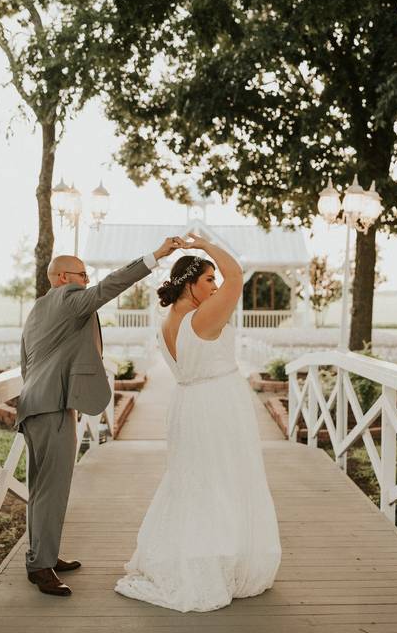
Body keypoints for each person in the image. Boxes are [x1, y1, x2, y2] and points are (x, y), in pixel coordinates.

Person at [114, 233, 282, 612]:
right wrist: (205, 246)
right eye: (209, 279)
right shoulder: (202, 317)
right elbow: (237, 276)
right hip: (217, 404)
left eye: (214, 281)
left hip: (188, 403)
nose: (216, 285)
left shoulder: (167, 321)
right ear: (189, 283)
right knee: (224, 480)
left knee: (193, 480)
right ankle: (216, 563)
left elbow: (228, 281)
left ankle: (198, 552)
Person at [16, 236, 186, 597]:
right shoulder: (69, 299)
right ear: (63, 278)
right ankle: (41, 567)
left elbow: (26, 361)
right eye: (81, 273)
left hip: (36, 404)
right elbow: (111, 286)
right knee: (52, 489)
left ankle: (43, 555)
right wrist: (154, 255)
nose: (87, 279)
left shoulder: (39, 307)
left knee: (41, 488)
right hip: (52, 406)